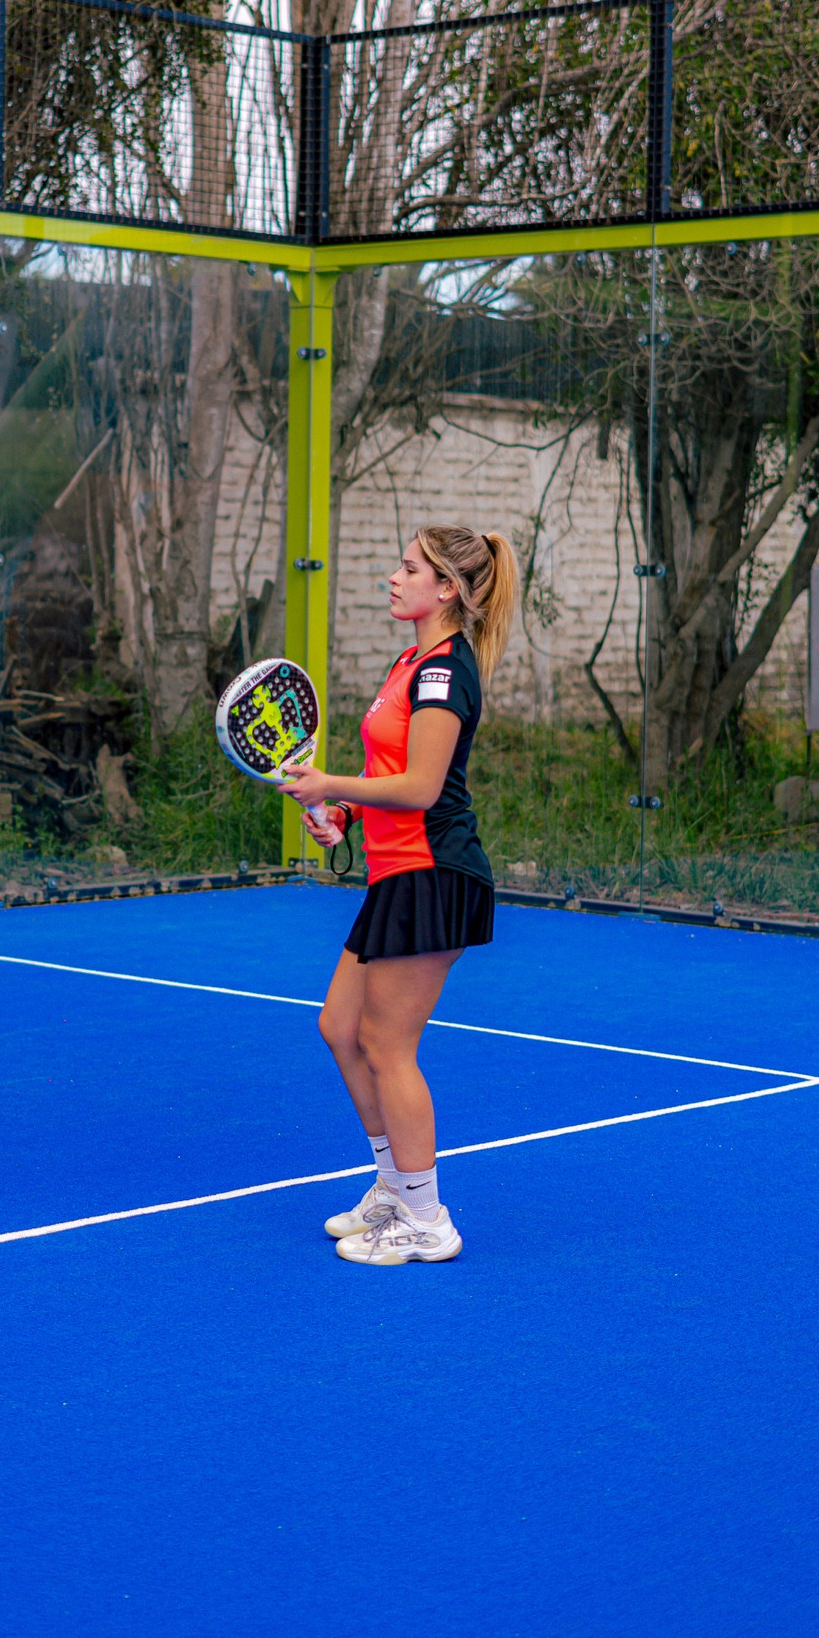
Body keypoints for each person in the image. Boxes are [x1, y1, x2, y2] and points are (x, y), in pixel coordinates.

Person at [280, 525, 518, 1265]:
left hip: (434, 874)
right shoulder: (407, 663)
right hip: (395, 872)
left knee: (388, 1044)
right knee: (339, 1028)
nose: (393, 576)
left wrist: (328, 782)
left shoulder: (446, 671)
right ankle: (393, 1185)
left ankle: (426, 1219)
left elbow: (420, 788)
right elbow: (389, 771)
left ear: (447, 589)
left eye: (410, 568)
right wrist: (344, 813)